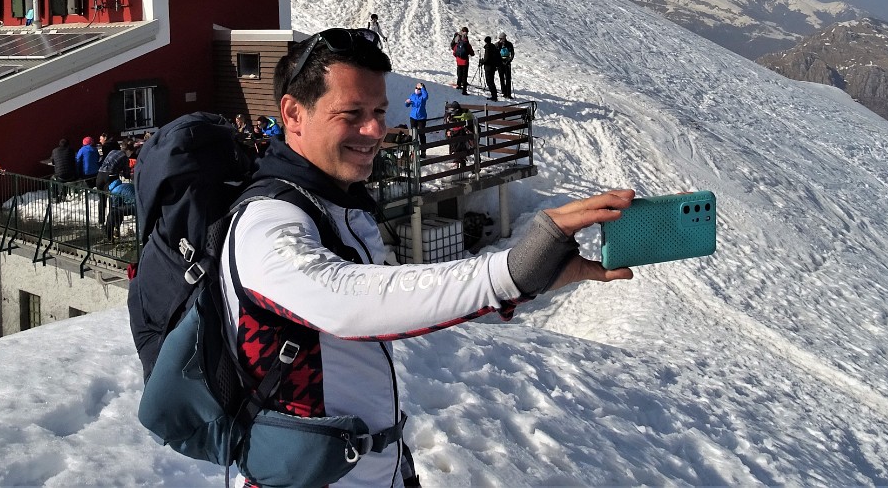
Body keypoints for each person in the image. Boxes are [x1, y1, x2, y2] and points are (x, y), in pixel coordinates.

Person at [221, 28, 636, 487]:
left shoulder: (337, 207)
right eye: (352, 114)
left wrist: (535, 278)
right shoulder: (267, 223)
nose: (375, 129)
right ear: (294, 114)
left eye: (379, 111)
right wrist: (508, 272)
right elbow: (346, 301)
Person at [404, 81, 429, 152]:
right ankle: (414, 150)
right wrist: (406, 102)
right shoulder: (412, 95)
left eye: (418, 88)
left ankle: (423, 151)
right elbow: (407, 105)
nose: (416, 89)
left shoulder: (423, 96)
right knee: (413, 134)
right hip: (413, 117)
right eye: (416, 88)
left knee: (421, 134)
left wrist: (422, 87)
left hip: (421, 117)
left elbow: (426, 96)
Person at [450, 25, 474, 94]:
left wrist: (457, 56)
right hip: (465, 60)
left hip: (458, 59)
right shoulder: (465, 42)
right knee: (464, 74)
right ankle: (464, 90)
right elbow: (471, 52)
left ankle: (459, 85)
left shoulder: (459, 41)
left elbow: (455, 51)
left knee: (460, 72)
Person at [481, 36, 502, 101]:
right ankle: (494, 95)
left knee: (490, 82)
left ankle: (494, 96)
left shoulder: (488, 47)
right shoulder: (494, 47)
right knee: (491, 81)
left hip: (488, 67)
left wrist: (482, 61)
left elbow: (486, 59)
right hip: (493, 67)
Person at [497, 32, 515, 99]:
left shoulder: (509, 44)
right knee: (501, 78)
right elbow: (496, 53)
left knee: (508, 78)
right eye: (500, 38)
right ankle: (504, 92)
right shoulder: (498, 44)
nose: (501, 39)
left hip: (507, 62)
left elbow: (512, 53)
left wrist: (509, 60)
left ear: (505, 38)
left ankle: (508, 93)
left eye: (502, 38)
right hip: (500, 63)